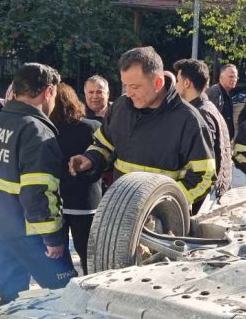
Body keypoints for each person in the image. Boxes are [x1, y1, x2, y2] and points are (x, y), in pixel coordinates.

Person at [0, 63, 75, 305]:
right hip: (31, 233)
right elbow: (39, 191)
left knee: (10, 294)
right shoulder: (36, 131)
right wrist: (53, 238)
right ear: (48, 92)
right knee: (67, 293)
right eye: (55, 96)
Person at [68, 47, 215, 210]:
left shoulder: (189, 120)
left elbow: (205, 176)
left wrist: (167, 204)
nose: (128, 93)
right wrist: (90, 159)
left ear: (158, 83)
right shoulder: (120, 107)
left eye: (135, 87)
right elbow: (104, 144)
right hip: (119, 210)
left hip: (161, 222)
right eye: (125, 86)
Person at [51, 83, 102, 274]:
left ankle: (64, 287)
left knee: (58, 254)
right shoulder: (93, 127)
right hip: (86, 201)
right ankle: (91, 286)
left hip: (58, 201)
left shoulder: (47, 131)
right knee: (88, 253)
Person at [174, 58, 232, 208]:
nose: (175, 86)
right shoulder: (207, 107)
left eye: (178, 81)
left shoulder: (200, 115)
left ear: (187, 83)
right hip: (211, 194)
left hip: (203, 199)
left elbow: (205, 170)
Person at [206, 63, 238, 138]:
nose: (234, 79)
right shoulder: (215, 92)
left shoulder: (227, 94)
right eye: (231, 76)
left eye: (236, 77)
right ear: (221, 77)